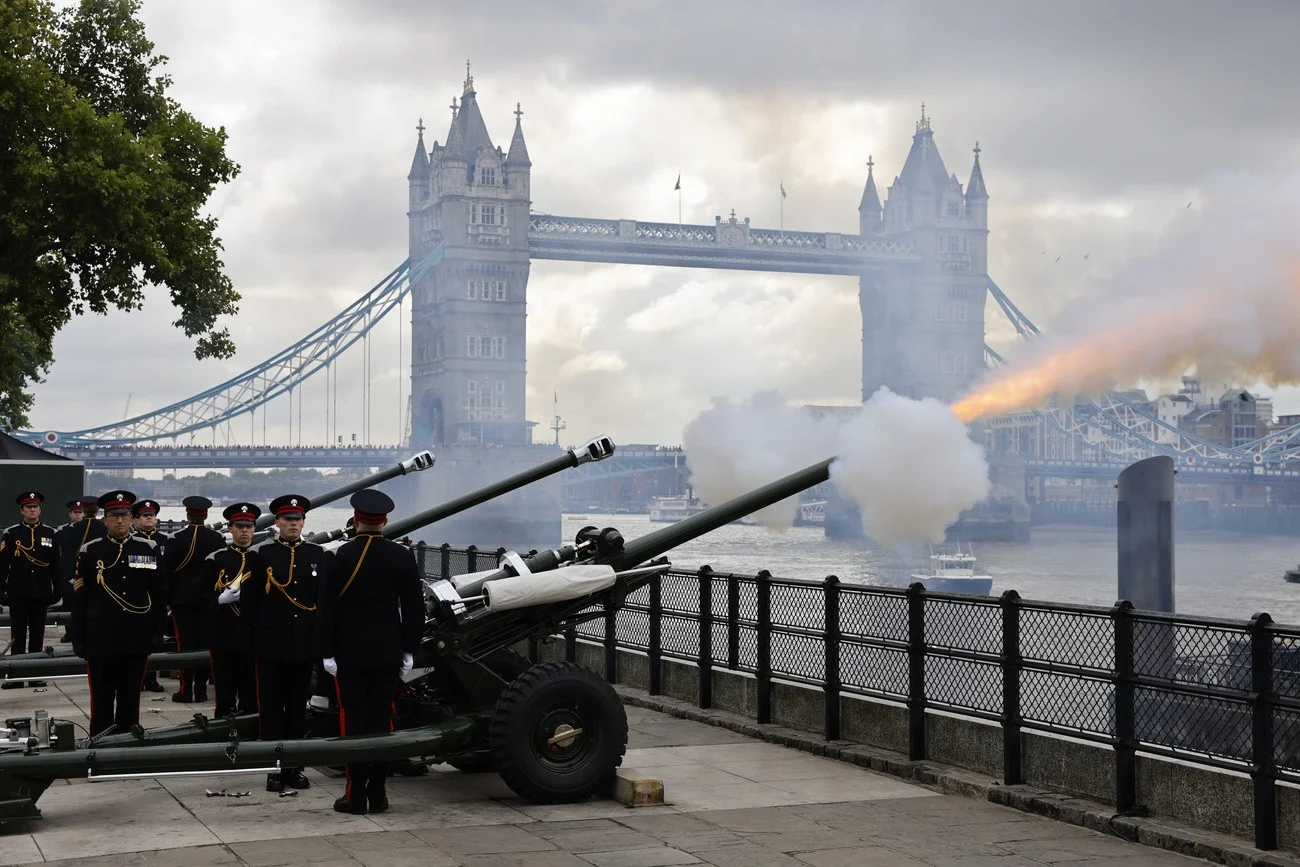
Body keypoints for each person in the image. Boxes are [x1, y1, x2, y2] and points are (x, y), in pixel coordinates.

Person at [317, 489, 423, 814]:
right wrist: (409, 651)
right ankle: (379, 795)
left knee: (353, 724)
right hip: (388, 655)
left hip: (348, 657)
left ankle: (354, 796)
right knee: (383, 722)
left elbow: (325, 611)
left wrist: (327, 653)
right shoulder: (403, 557)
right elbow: (414, 609)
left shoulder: (337, 557)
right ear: (386, 520)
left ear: (356, 519)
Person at [243, 493, 327, 792]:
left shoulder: (317, 554)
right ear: (277, 523)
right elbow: (250, 602)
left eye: (298, 519)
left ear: (304, 522)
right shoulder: (261, 555)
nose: (293, 524)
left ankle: (293, 767)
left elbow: (322, 602)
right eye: (288, 520)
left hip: (302, 645)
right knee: (270, 710)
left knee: (296, 709)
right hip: (270, 643)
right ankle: (273, 769)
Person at [69, 491, 168, 737]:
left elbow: (157, 593)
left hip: (136, 633)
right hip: (101, 635)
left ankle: (127, 739)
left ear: (132, 518)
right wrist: (78, 638)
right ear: (105, 519)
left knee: (130, 693)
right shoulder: (90, 551)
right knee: (101, 695)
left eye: (124, 515)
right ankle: (100, 741)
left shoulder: (148, 548)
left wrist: (157, 631)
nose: (120, 521)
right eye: (115, 516)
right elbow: (80, 597)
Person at [201, 502, 262, 718]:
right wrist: (219, 598)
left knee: (251, 692)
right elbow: (202, 595)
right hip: (223, 633)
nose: (244, 530)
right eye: (239, 526)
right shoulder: (216, 559)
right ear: (230, 528)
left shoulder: (260, 559)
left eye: (248, 526)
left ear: (254, 528)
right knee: (224, 692)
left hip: (251, 634)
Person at [164, 495, 223, 703]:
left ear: (187, 514)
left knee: (185, 645)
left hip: (182, 600)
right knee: (206, 644)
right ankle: (201, 690)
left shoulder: (176, 539)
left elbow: (167, 572)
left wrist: (168, 599)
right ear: (205, 515)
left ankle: (185, 690)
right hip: (209, 599)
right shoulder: (217, 539)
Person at [0, 491, 61, 689]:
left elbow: (56, 564)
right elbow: (2, 564)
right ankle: (17, 675)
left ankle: (35, 673)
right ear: (22, 511)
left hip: (40, 591)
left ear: (40, 509)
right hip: (18, 591)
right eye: (28, 507)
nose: (32, 510)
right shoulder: (12, 533)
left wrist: (58, 589)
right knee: (18, 634)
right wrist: (1, 590)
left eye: (35, 507)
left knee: (37, 634)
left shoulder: (50, 534)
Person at [131, 499, 168, 694]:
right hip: (137, 599)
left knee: (156, 640)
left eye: (151, 516)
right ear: (135, 520)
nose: (148, 519)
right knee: (136, 640)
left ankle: (152, 678)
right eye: (144, 516)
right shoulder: (132, 542)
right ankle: (138, 678)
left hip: (158, 598)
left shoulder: (165, 541)